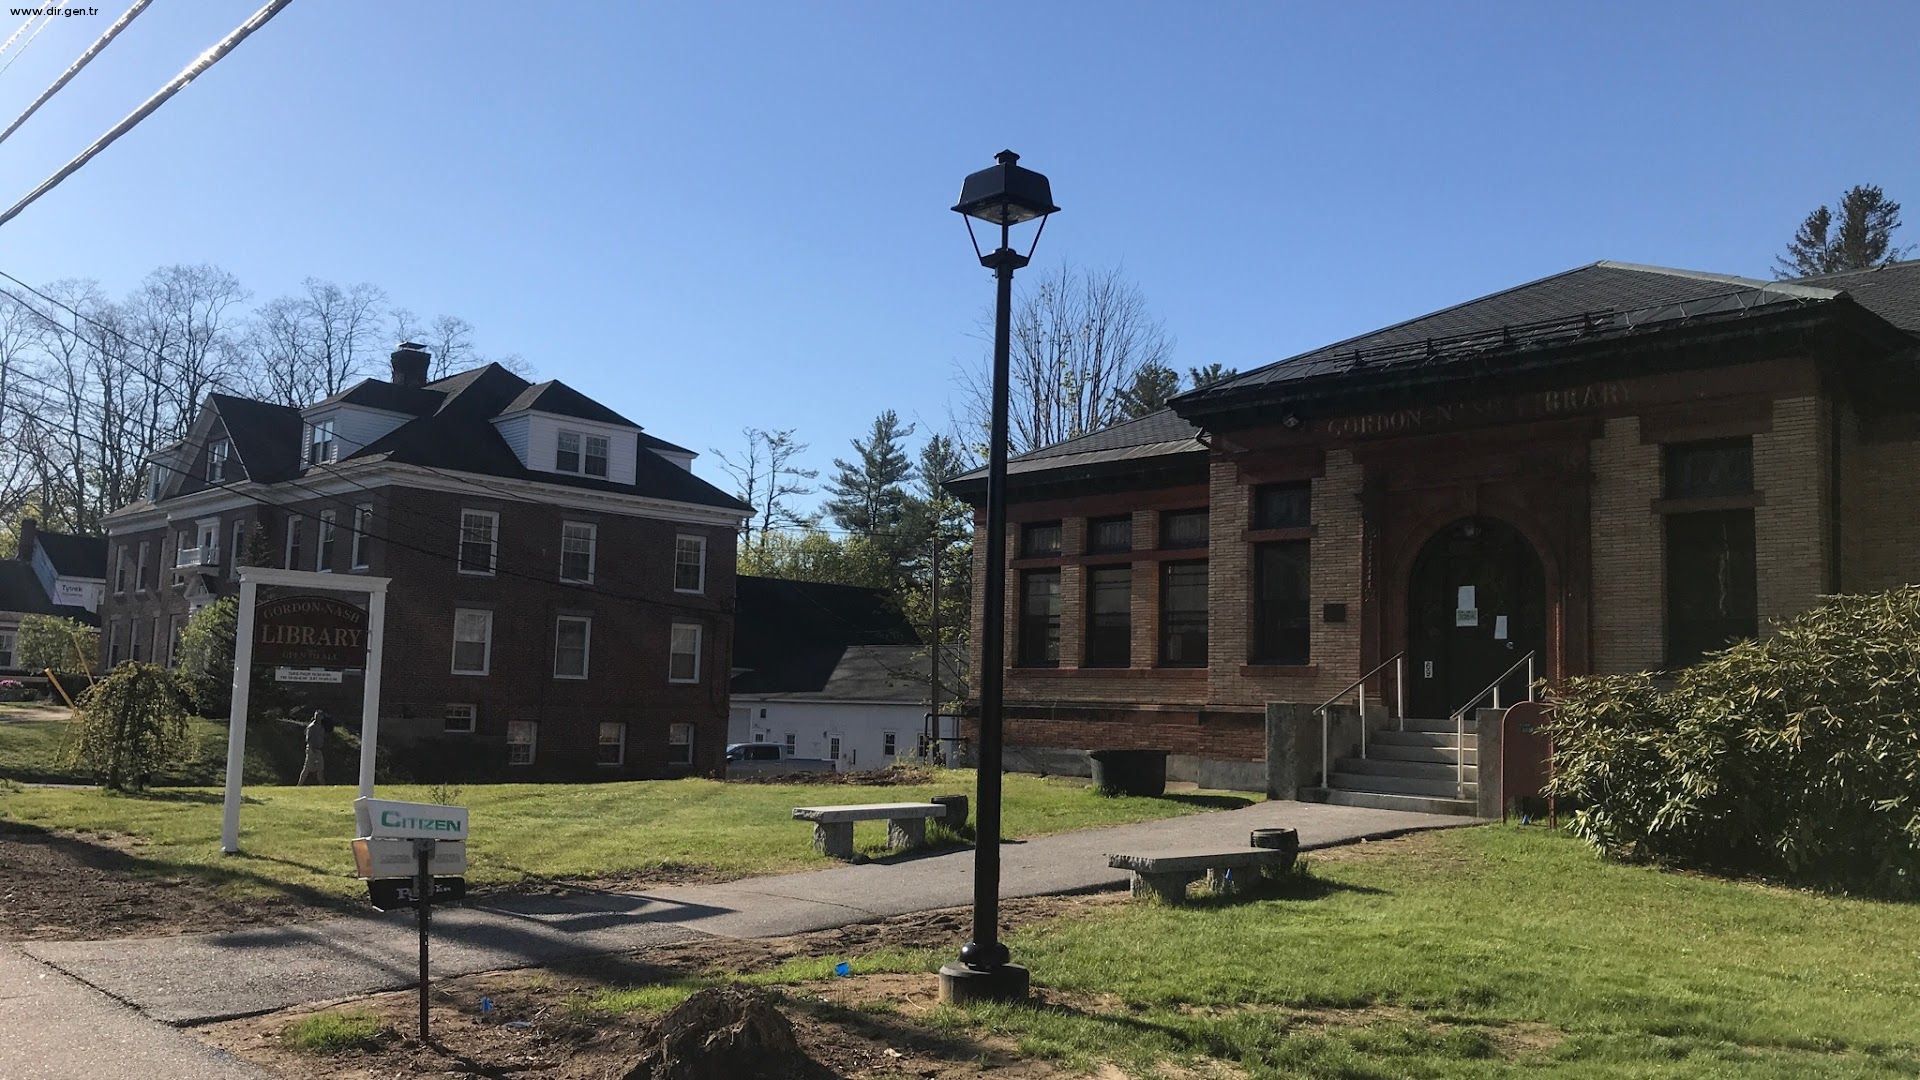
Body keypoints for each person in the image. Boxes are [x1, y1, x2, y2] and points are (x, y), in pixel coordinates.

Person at [298, 709, 333, 785]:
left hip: (319, 750)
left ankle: (323, 784)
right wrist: (312, 750)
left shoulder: (321, 727)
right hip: (312, 750)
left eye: (319, 716)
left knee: (320, 768)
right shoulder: (311, 727)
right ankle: (299, 784)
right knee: (307, 768)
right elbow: (308, 739)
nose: (317, 717)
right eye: (316, 716)